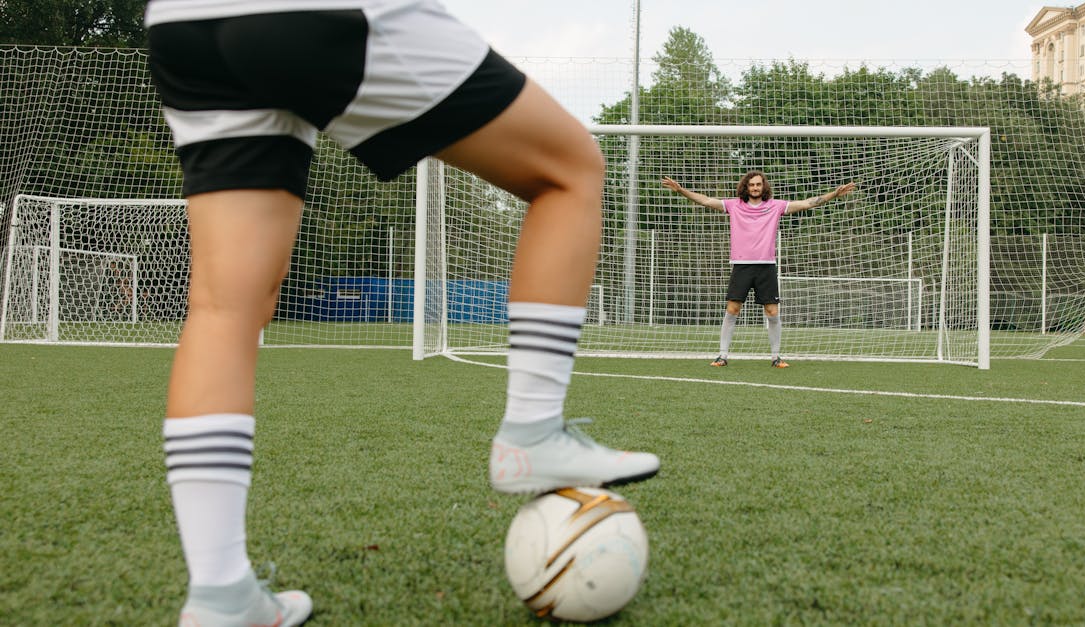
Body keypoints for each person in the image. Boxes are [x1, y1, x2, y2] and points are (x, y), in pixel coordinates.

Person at [145, 1, 659, 624]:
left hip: (183, 24)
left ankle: (221, 597)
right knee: (569, 169)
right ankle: (534, 432)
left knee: (224, 305)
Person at [661, 171, 855, 368]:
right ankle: (722, 355)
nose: (755, 188)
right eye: (752, 185)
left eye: (758, 184)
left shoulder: (776, 206)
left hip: (766, 266)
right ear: (746, 187)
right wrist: (681, 190)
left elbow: (807, 203)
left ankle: (776, 357)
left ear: (764, 187)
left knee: (772, 311)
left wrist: (833, 194)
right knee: (732, 309)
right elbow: (706, 200)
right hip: (741, 265)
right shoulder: (734, 205)